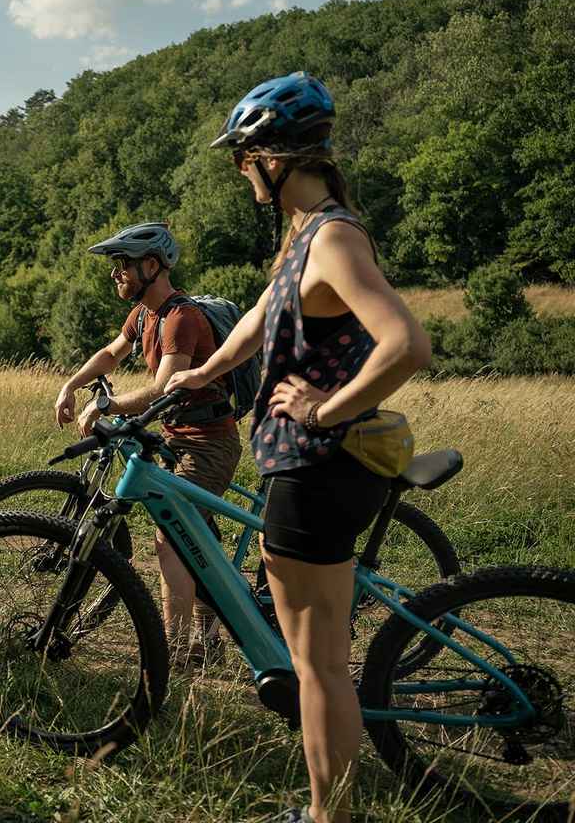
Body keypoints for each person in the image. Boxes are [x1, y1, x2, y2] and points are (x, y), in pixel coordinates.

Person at [168, 73, 430, 823]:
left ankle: (326, 817)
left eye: (240, 156)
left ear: (271, 156)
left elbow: (407, 343)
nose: (238, 170)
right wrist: (172, 386)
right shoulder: (305, 235)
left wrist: (326, 409)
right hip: (303, 467)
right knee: (315, 664)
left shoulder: (335, 236)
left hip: (316, 468)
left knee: (318, 670)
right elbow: (251, 327)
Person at [54, 222, 242, 666]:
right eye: (115, 266)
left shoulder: (181, 318)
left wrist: (107, 404)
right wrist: (71, 384)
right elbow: (112, 352)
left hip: (208, 443)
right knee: (196, 537)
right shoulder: (144, 315)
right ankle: (207, 637)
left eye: (123, 265)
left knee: (171, 536)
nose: (115, 274)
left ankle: (173, 651)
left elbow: (162, 387)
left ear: (152, 265)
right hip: (177, 438)